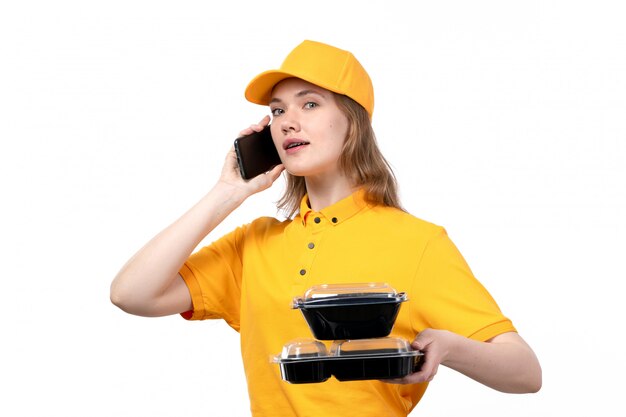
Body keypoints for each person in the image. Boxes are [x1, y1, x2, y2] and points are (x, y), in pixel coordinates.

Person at [110, 40, 541, 416]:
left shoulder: (418, 243)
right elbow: (131, 294)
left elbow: (525, 372)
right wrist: (227, 192)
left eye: (309, 103)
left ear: (353, 121)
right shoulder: (254, 244)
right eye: (277, 111)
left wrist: (449, 346)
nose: (286, 122)